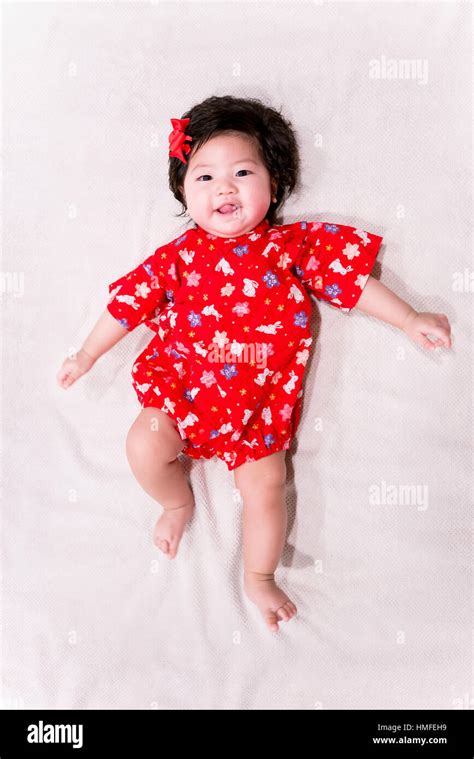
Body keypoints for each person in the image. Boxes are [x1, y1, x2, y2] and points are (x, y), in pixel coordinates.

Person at [57, 95, 452, 633]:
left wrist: (408, 319)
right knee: (142, 445)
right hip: (182, 397)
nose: (225, 188)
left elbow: (353, 284)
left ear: (274, 184)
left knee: (266, 488)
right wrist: (86, 353)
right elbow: (126, 306)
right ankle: (177, 504)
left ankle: (259, 576)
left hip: (258, 413)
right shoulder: (176, 258)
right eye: (205, 177)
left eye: (243, 172)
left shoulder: (292, 247)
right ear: (182, 191)